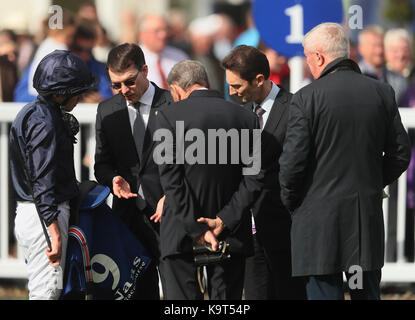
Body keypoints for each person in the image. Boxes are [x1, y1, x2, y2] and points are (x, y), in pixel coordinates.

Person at [278, 23, 411, 300]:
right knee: (364, 292)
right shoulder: (381, 92)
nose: (307, 63)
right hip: (362, 228)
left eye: (306, 56)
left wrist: (293, 203)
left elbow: (292, 166)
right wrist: (372, 182)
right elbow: (400, 153)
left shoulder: (306, 98)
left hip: (318, 229)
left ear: (319, 57)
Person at [154, 60, 259, 300]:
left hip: (180, 231)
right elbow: (253, 179)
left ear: (177, 89)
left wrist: (197, 228)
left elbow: (171, 180)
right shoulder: (246, 118)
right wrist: (224, 219)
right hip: (230, 232)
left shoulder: (168, 117)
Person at [218, 45, 305, 300]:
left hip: (286, 231)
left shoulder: (295, 109)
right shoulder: (239, 112)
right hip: (249, 232)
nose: (231, 92)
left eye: (236, 86)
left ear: (259, 79)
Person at [10, 50, 98, 300]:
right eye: (77, 92)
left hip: (35, 212)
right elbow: (42, 177)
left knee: (49, 290)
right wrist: (53, 231)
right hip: (45, 215)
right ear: (60, 93)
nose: (80, 98)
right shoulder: (45, 122)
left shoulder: (31, 111)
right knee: (46, 292)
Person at [94, 43, 171, 300]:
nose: (124, 90)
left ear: (145, 71)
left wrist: (172, 194)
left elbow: (188, 162)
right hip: (128, 217)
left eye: (129, 82)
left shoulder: (172, 104)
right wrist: (113, 179)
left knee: (177, 293)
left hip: (167, 214)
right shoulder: (107, 111)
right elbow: (101, 163)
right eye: (116, 85)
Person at [14, 10, 76, 102]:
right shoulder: (59, 48)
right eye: (69, 36)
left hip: (29, 96)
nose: (71, 41)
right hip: (38, 98)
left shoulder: (45, 44)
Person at [358, 25, 408, 103]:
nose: (379, 51)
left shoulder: (399, 80)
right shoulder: (354, 76)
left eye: (381, 45)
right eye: (374, 46)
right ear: (361, 48)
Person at [138, 14, 189, 90]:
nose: (163, 35)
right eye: (157, 31)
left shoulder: (179, 57)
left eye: (165, 30)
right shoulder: (133, 60)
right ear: (142, 34)